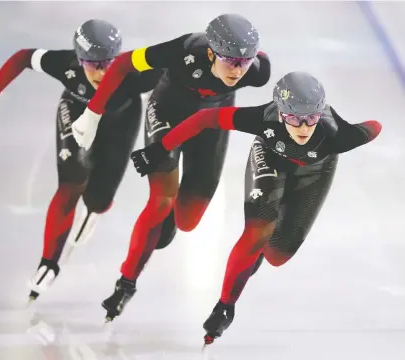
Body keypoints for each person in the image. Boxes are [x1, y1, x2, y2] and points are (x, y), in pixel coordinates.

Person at [130, 71, 382, 344]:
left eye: (311, 118)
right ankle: (225, 306)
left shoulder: (338, 135)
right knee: (257, 231)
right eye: (294, 118)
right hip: (270, 159)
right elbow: (204, 120)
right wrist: (158, 149)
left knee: (277, 255)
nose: (303, 127)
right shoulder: (263, 118)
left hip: (315, 172)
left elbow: (375, 126)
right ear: (281, 113)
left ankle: (262, 247)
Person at [69, 13, 271, 320]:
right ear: (210, 52)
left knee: (187, 220)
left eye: (245, 61)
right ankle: (126, 283)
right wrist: (93, 113)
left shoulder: (257, 71)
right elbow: (123, 63)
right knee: (161, 199)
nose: (238, 70)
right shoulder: (184, 49)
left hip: (211, 121)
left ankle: (166, 219)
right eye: (230, 61)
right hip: (167, 111)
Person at [0, 19, 164, 302]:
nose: (102, 72)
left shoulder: (135, 73)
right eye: (93, 64)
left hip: (120, 122)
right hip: (76, 113)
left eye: (108, 63)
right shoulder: (64, 65)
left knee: (100, 199)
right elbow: (23, 57)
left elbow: (174, 69)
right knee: (71, 183)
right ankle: (48, 263)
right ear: (79, 60)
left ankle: (92, 211)